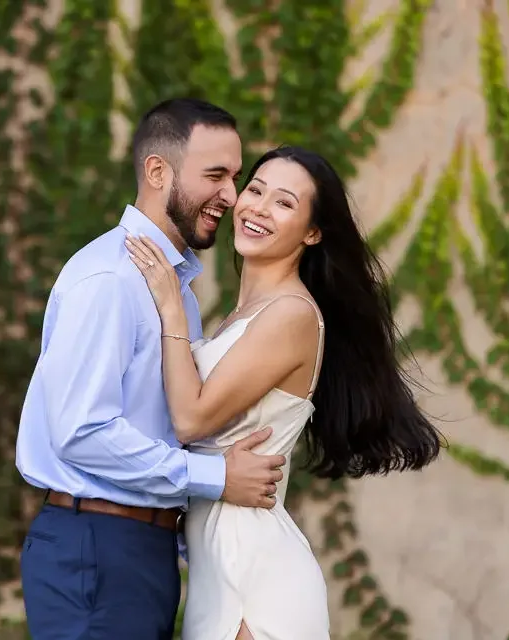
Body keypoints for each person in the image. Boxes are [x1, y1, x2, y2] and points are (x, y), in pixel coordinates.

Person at [124, 145, 444, 639]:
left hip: (254, 573)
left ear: (312, 233)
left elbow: (190, 419)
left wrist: (169, 308)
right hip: (219, 565)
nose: (258, 208)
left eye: (284, 203)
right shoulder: (244, 317)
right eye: (255, 190)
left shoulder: (291, 316)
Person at [15, 98, 287, 639]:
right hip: (96, 549)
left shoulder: (172, 289)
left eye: (235, 177)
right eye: (216, 175)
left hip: (141, 551)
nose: (231, 197)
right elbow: (82, 431)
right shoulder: (112, 279)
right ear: (157, 171)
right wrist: (217, 478)